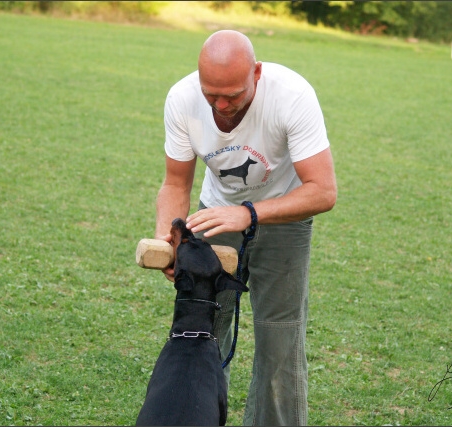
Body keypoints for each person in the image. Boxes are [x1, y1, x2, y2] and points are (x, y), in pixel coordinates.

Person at [154, 30, 337, 426]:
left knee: (279, 342)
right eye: (211, 94)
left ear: (256, 73)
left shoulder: (292, 96)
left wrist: (250, 212)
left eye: (232, 96)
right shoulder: (182, 99)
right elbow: (175, 184)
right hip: (216, 213)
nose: (220, 106)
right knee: (201, 332)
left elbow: (323, 191)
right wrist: (166, 240)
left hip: (285, 216)